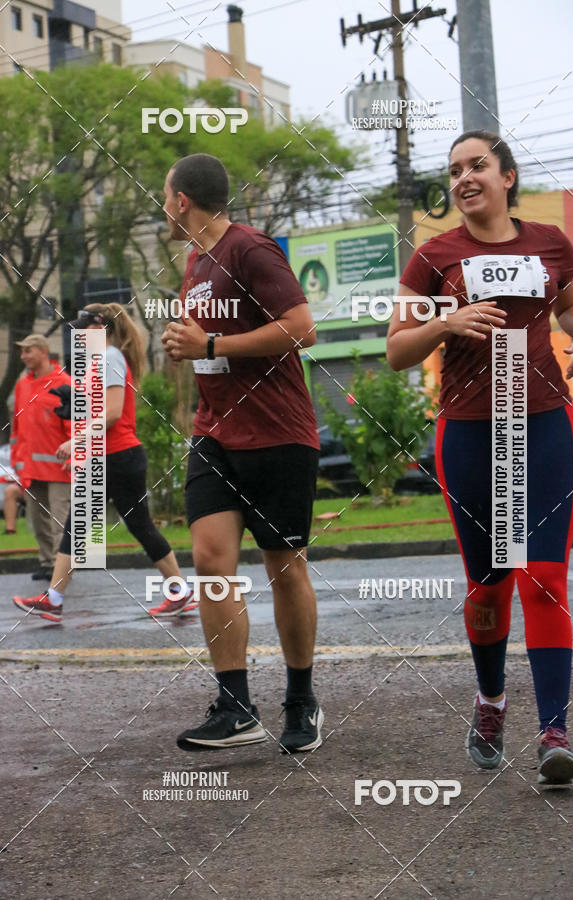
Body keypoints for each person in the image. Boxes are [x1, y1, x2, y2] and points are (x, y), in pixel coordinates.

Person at [386, 130, 573, 785]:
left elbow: (572, 313)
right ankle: (491, 698)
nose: (463, 178)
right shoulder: (434, 256)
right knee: (490, 583)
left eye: (477, 165)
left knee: (543, 577)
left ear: (507, 176)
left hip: (544, 427)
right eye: (454, 171)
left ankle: (554, 732)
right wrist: (444, 325)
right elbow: (396, 348)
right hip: (472, 434)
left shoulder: (551, 244)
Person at [161, 153, 323, 755]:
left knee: (285, 568)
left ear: (182, 201)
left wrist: (211, 341)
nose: (163, 207)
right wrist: (191, 348)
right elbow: (209, 348)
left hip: (278, 433)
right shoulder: (195, 262)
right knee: (209, 560)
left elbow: (302, 327)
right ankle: (235, 706)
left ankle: (301, 700)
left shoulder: (249, 248)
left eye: (164, 197)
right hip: (215, 435)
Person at [12, 303, 197, 624]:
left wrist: (76, 441)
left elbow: (112, 413)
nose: (79, 335)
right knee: (87, 527)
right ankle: (54, 599)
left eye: (83, 329)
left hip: (118, 457)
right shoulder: (100, 360)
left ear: (99, 329)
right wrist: (74, 410)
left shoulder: (111, 358)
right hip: (107, 457)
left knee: (121, 527)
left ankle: (179, 593)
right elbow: (98, 410)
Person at [10, 334, 71, 580]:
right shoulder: (22, 385)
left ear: (43, 352)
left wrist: (75, 456)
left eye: (28, 351)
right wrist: (17, 459)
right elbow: (16, 427)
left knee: (60, 522)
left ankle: (61, 569)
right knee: (37, 520)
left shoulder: (64, 383)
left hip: (60, 469)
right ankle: (47, 563)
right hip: (32, 469)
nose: (23, 356)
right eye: (23, 351)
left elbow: (74, 424)